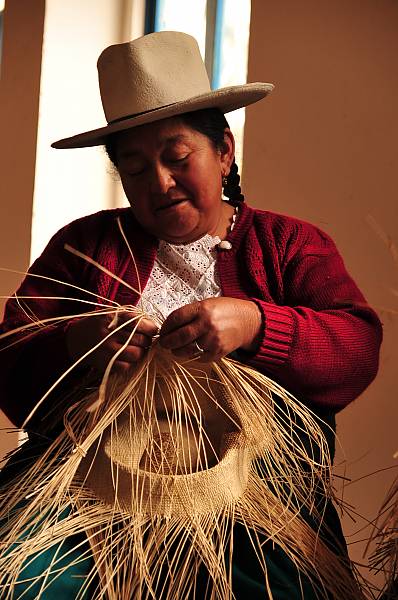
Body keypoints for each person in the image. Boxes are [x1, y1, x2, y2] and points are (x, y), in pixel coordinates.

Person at [0, 31, 382, 599]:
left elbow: (356, 348)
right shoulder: (85, 246)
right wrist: (81, 344)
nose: (159, 183)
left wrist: (256, 323)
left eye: (178, 158)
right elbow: (10, 363)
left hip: (254, 502)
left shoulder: (289, 245)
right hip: (89, 493)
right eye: (133, 169)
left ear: (224, 151)